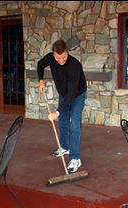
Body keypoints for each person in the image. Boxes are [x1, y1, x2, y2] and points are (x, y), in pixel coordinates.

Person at [37, 39, 87, 173]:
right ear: (53, 54)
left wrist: (57, 112)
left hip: (77, 95)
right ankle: (65, 147)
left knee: (75, 124)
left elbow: (72, 94)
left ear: (67, 52)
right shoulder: (50, 58)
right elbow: (40, 65)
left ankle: (75, 158)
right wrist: (41, 80)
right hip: (63, 93)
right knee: (63, 121)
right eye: (58, 58)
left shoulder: (75, 65)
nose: (61, 60)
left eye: (64, 57)